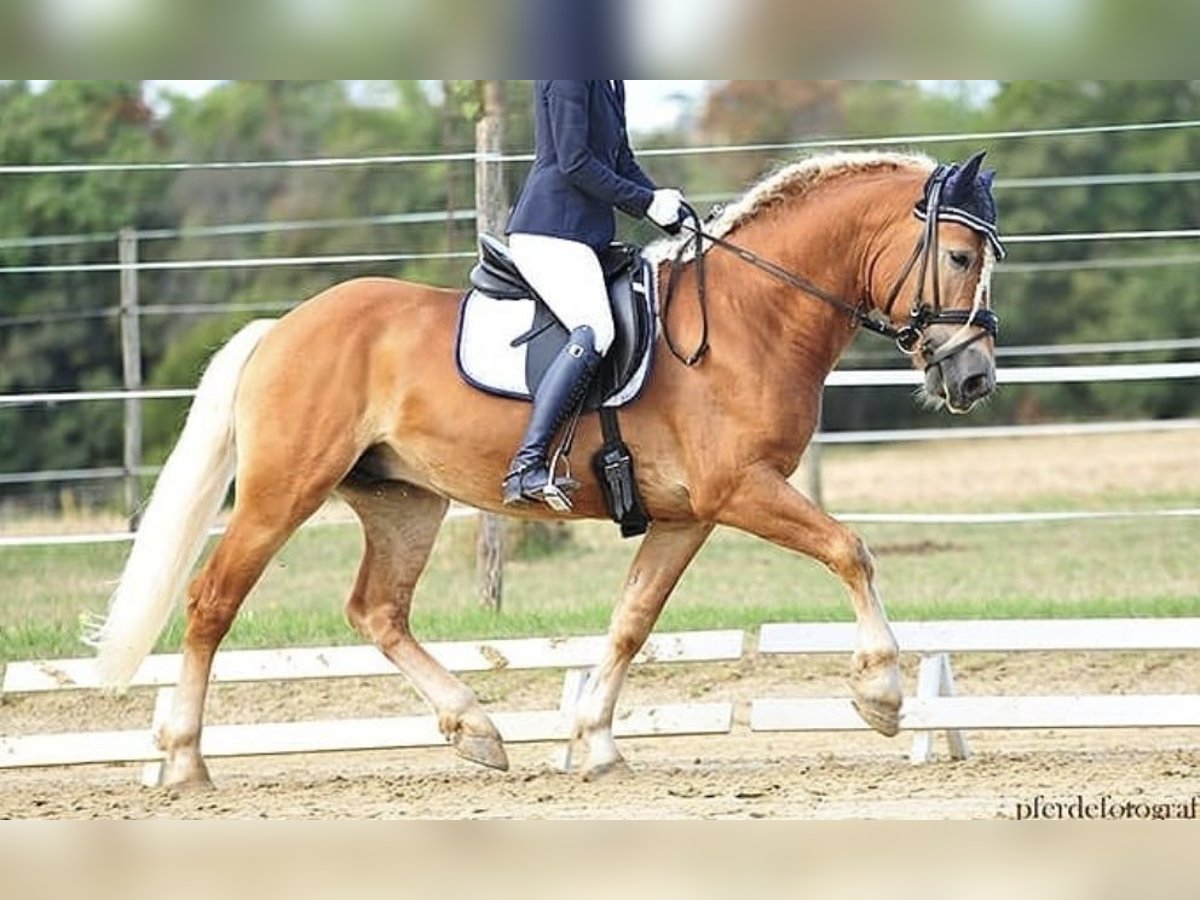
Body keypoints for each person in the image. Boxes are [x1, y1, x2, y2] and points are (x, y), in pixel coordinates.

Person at [502, 79, 686, 507]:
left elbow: (620, 160)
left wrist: (664, 206)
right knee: (596, 329)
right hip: (551, 230)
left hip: (586, 237)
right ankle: (526, 465)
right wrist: (643, 203)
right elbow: (574, 162)